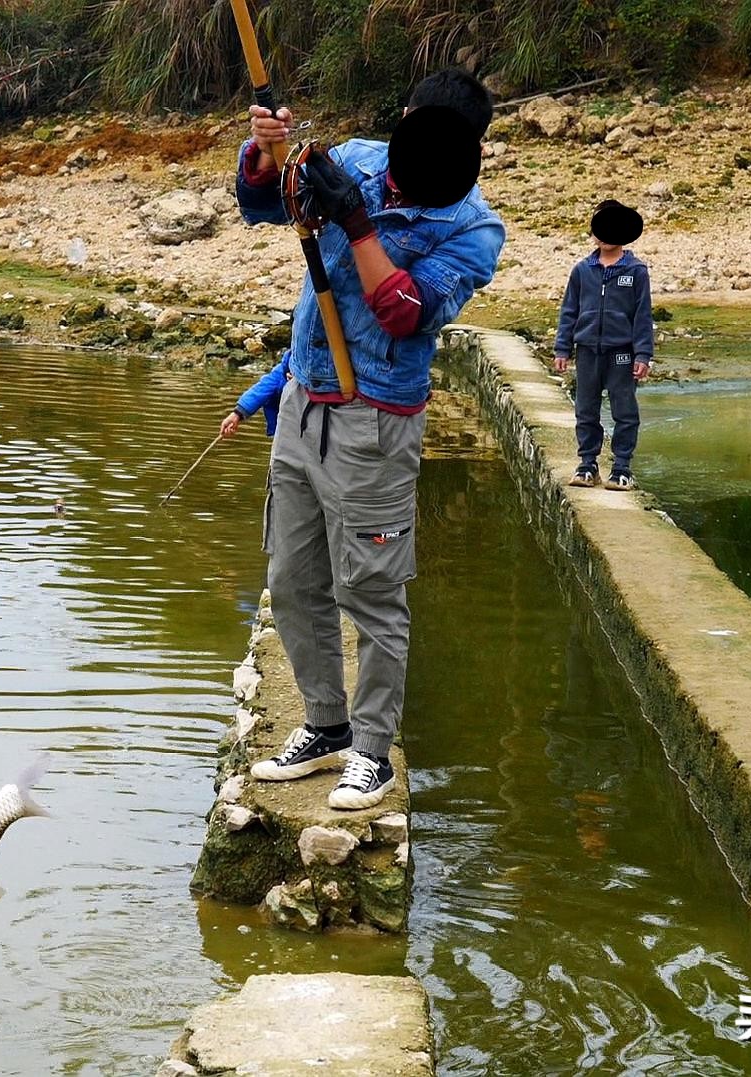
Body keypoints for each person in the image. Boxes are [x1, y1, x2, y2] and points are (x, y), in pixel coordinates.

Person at [231, 69, 505, 811]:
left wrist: (355, 225)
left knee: (373, 592)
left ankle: (373, 753)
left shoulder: (471, 227)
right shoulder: (353, 157)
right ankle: (325, 724)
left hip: (376, 418)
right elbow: (262, 204)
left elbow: (405, 312)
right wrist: (267, 153)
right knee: (293, 578)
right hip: (304, 399)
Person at [553, 200, 653, 491]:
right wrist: (562, 348)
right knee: (585, 410)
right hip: (587, 351)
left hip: (622, 354)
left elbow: (642, 316)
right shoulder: (582, 271)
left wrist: (643, 354)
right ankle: (587, 464)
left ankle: (621, 467)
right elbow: (569, 310)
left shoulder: (636, 271)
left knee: (624, 411)